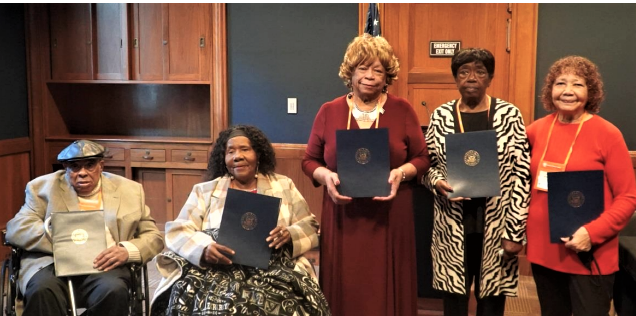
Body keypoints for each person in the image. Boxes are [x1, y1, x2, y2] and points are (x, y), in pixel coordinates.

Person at [302, 33, 430, 316]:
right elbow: (309, 160)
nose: (370, 76)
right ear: (351, 72)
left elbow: (422, 158)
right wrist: (325, 176)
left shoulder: (402, 110)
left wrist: (401, 172)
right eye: (363, 68)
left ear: (387, 76)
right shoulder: (329, 111)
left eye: (378, 70)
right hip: (343, 215)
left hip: (391, 215)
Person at [150, 125, 330, 316]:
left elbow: (310, 226)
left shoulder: (283, 185)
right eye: (231, 151)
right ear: (224, 158)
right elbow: (178, 230)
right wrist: (203, 248)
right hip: (217, 270)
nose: (237, 156)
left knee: (272, 306)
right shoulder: (205, 191)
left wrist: (289, 234)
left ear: (258, 154)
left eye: (245, 149)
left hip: (273, 269)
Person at [422, 48, 531, 316]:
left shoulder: (509, 115)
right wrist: (437, 183)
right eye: (464, 72)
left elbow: (521, 175)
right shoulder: (441, 116)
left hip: (496, 223)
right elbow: (427, 166)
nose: (472, 77)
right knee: (454, 302)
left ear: (490, 77)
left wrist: (514, 232)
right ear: (455, 79)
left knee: (492, 303)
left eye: (480, 71)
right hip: (452, 224)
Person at [526, 55, 636, 316]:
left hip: (589, 252)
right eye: (560, 83)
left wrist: (592, 233)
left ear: (591, 92)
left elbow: (628, 197)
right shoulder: (536, 130)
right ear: (550, 89)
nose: (567, 91)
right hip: (543, 252)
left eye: (577, 84)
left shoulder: (607, 134)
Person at [6, 139, 164, 316]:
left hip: (103, 262)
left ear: (101, 166)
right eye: (75, 167)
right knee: (42, 289)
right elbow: (17, 228)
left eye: (89, 165)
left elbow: (153, 236)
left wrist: (127, 250)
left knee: (113, 290)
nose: (82, 173)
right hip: (52, 262)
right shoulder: (41, 188)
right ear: (65, 167)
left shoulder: (130, 190)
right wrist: (62, 244)